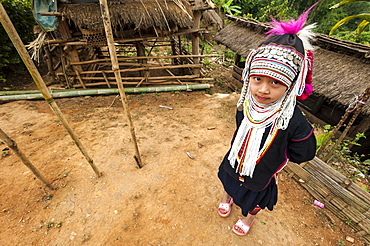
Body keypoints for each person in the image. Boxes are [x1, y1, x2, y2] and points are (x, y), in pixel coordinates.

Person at [217, 5, 317, 236]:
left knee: (254, 200)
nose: (263, 90)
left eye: (275, 83)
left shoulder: (293, 121)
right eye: (258, 79)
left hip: (261, 173)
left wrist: (276, 157)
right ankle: (227, 197)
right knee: (228, 180)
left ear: (291, 86)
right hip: (235, 160)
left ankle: (247, 220)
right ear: (248, 77)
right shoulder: (246, 105)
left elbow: (305, 152)